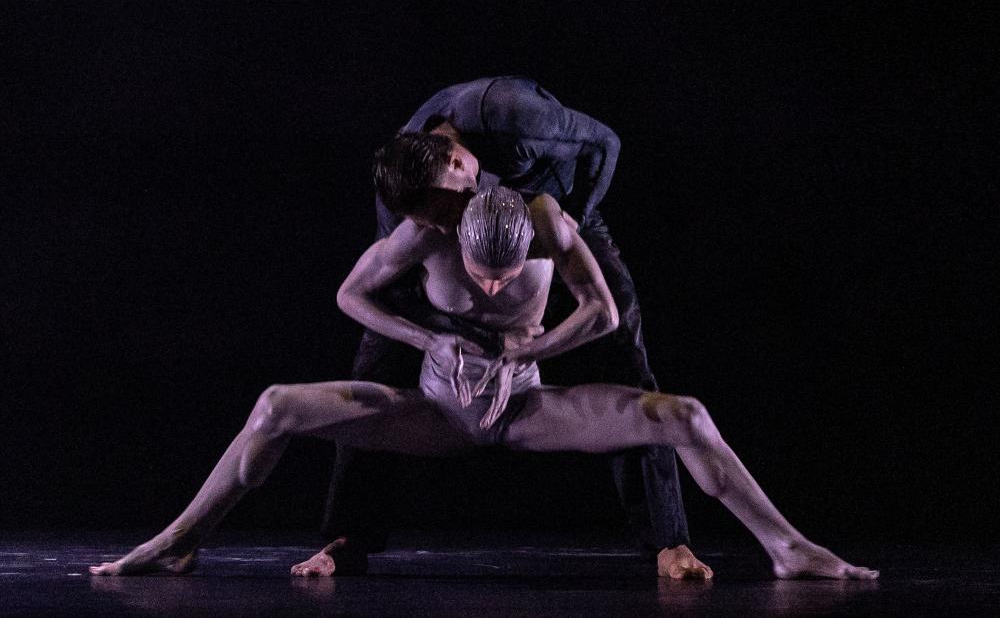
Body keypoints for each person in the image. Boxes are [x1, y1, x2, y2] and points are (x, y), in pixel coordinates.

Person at [90, 188, 877, 581]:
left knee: (686, 415)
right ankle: (179, 541)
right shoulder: (424, 230)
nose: (496, 289)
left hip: (527, 406)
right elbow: (350, 294)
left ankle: (788, 548)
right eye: (481, 276)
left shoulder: (551, 224)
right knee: (275, 405)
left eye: (509, 277)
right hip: (434, 410)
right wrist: (428, 336)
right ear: (453, 239)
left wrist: (525, 348)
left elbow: (604, 312)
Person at [315, 76, 702, 579]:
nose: (443, 227)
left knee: (619, 332)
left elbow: (606, 143)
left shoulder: (516, 120)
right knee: (378, 350)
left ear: (459, 163)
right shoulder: (408, 181)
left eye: (445, 213)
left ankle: (669, 540)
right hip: (483, 247)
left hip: (551, 222)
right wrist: (433, 335)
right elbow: (373, 281)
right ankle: (348, 534)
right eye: (430, 222)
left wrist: (573, 223)